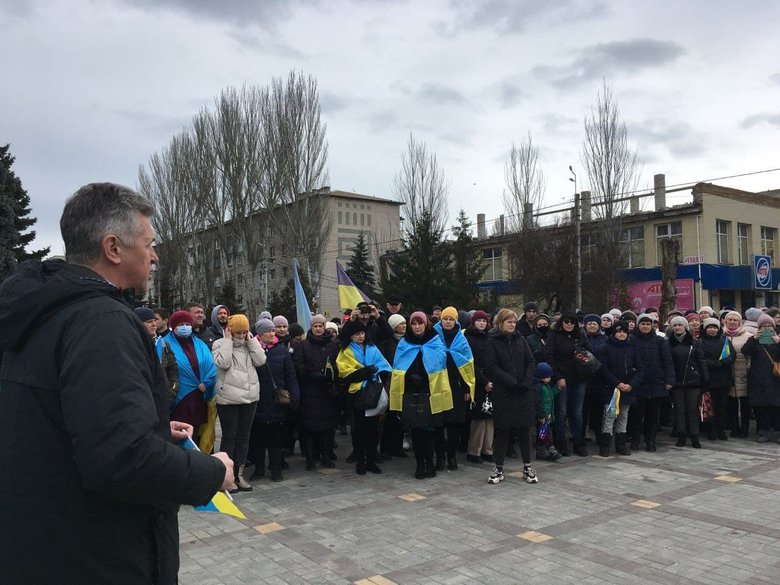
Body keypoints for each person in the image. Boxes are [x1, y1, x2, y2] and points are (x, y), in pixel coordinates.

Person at [0, 182, 232, 584]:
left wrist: (155, 430)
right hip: (98, 553)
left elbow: (68, 426)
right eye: (148, 242)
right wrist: (210, 472)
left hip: (44, 543)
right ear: (113, 248)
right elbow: (121, 460)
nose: (155, 255)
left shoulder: (40, 314)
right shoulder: (101, 322)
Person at [389, 311, 452, 479]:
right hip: (411, 391)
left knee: (429, 431)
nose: (417, 327)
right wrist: (410, 376)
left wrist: (424, 377)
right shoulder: (404, 343)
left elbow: (439, 365)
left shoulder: (435, 341)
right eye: (414, 324)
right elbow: (399, 368)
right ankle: (419, 464)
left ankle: (429, 463)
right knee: (416, 431)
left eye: (420, 323)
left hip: (430, 392)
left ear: (426, 324)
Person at [212, 314, 266, 492]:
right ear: (230, 330)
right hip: (228, 398)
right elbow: (223, 362)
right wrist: (227, 341)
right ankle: (227, 476)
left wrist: (252, 342)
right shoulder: (220, 344)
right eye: (238, 332)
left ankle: (239, 473)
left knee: (244, 437)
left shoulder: (249, 344)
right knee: (229, 436)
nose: (241, 336)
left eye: (244, 332)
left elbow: (261, 361)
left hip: (249, 397)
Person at [483, 309, 537, 485]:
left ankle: (528, 466)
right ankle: (498, 468)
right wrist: (512, 382)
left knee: (524, 430)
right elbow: (491, 367)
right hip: (504, 392)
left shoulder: (521, 339)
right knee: (503, 431)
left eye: (514, 321)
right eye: (509, 321)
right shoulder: (492, 341)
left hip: (523, 392)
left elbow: (530, 361)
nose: (513, 324)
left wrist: (526, 381)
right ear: (500, 323)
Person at [337, 319, 392, 474]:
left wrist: (376, 371)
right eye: (356, 334)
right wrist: (366, 372)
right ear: (350, 336)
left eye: (362, 333)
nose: (360, 337)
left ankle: (371, 460)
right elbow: (345, 373)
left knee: (373, 429)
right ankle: (360, 461)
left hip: (373, 391)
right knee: (360, 429)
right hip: (357, 394)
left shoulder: (372, 347)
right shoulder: (346, 351)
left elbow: (384, 365)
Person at [249, 318, 300, 482]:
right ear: (260, 334)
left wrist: (295, 394)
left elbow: (290, 375)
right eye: (268, 331)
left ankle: (276, 469)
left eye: (273, 330)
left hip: (277, 400)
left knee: (276, 439)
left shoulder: (281, 351)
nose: (272, 333)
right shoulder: (252, 349)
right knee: (257, 438)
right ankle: (259, 469)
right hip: (257, 399)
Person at [164, 310, 218, 449]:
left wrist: (207, 382)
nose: (185, 327)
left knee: (194, 435)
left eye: (187, 324)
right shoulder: (165, 344)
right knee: (178, 436)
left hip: (198, 397)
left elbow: (211, 365)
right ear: (173, 326)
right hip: (178, 400)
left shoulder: (199, 343)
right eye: (181, 324)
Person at [293, 314, 341, 470]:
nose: (318, 329)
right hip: (310, 391)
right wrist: (311, 373)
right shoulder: (303, 345)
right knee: (309, 428)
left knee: (327, 427)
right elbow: (299, 365)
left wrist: (331, 374)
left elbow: (338, 363)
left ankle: (326, 456)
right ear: (311, 328)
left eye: (321, 326)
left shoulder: (333, 345)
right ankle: (310, 457)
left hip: (327, 392)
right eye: (315, 326)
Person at [433, 306, 476, 471]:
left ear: (456, 321)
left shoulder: (461, 339)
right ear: (441, 320)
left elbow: (467, 365)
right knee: (438, 424)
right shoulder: (433, 337)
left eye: (451, 319)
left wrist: (466, 388)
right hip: (437, 385)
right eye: (445, 319)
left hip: (456, 387)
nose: (448, 322)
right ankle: (440, 457)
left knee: (454, 424)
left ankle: (451, 456)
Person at [545, 310, 592, 457]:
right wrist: (558, 377)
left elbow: (589, 355)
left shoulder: (581, 335)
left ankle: (579, 443)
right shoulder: (554, 336)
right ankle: (560, 444)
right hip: (562, 379)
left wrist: (583, 357)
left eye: (573, 322)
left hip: (579, 379)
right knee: (561, 412)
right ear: (562, 322)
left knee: (577, 413)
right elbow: (549, 357)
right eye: (567, 321)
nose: (569, 324)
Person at [593, 321, 643, 456]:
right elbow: (603, 369)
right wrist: (616, 383)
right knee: (609, 416)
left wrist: (631, 384)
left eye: (624, 332)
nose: (621, 334)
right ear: (614, 333)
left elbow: (639, 369)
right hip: (611, 389)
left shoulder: (632, 348)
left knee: (623, 416)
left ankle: (621, 444)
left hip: (628, 388)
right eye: (619, 331)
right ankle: (605, 446)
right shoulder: (606, 348)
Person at [628, 314, 674, 452]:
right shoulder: (631, 339)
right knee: (636, 414)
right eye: (643, 324)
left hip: (656, 382)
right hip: (638, 383)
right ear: (638, 325)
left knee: (653, 415)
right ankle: (635, 440)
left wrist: (669, 379)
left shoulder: (659, 341)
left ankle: (651, 440)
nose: (645, 326)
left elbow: (667, 361)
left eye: (648, 324)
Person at [667, 316, 709, 447]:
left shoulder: (694, 342)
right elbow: (667, 363)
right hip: (676, 381)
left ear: (685, 327)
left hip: (693, 381)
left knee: (692, 410)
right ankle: (681, 435)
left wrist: (705, 378)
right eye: (675, 325)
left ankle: (694, 436)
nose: (678, 327)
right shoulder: (668, 342)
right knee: (679, 410)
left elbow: (701, 361)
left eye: (680, 325)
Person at [741, 314, 780, 442]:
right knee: (761, 407)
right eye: (764, 326)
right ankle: (763, 431)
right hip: (759, 379)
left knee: (776, 406)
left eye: (769, 326)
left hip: (776, 379)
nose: (767, 328)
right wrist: (754, 339)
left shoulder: (777, 340)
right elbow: (745, 351)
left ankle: (777, 432)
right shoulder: (754, 340)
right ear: (759, 327)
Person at [465, 310, 494, 464]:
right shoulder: (468, 338)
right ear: (473, 322)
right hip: (477, 381)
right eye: (479, 320)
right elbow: (470, 364)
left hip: (491, 379)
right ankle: (474, 451)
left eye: (484, 320)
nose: (482, 323)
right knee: (479, 418)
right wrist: (484, 381)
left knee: (490, 417)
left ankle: (487, 450)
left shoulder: (490, 337)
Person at [700, 317, 735, 441]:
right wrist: (713, 364)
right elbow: (700, 358)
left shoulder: (724, 340)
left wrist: (721, 363)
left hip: (724, 378)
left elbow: (732, 356)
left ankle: (721, 430)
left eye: (715, 327)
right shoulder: (700, 342)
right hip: (709, 379)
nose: (712, 330)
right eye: (709, 327)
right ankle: (712, 430)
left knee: (722, 406)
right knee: (710, 406)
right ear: (705, 329)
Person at [723, 311, 753, 437]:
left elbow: (751, 355)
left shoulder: (748, 336)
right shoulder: (721, 335)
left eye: (735, 320)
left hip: (744, 374)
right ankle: (735, 428)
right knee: (731, 405)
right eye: (729, 319)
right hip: (728, 375)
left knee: (745, 404)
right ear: (725, 321)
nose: (732, 322)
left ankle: (745, 429)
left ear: (740, 322)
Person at [533, 362, 562, 461]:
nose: (550, 378)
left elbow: (550, 396)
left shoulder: (546, 386)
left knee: (542, 435)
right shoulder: (539, 387)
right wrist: (541, 415)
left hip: (546, 416)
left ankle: (541, 451)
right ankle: (551, 450)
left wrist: (557, 389)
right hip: (543, 417)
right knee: (546, 434)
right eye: (547, 376)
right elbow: (538, 402)